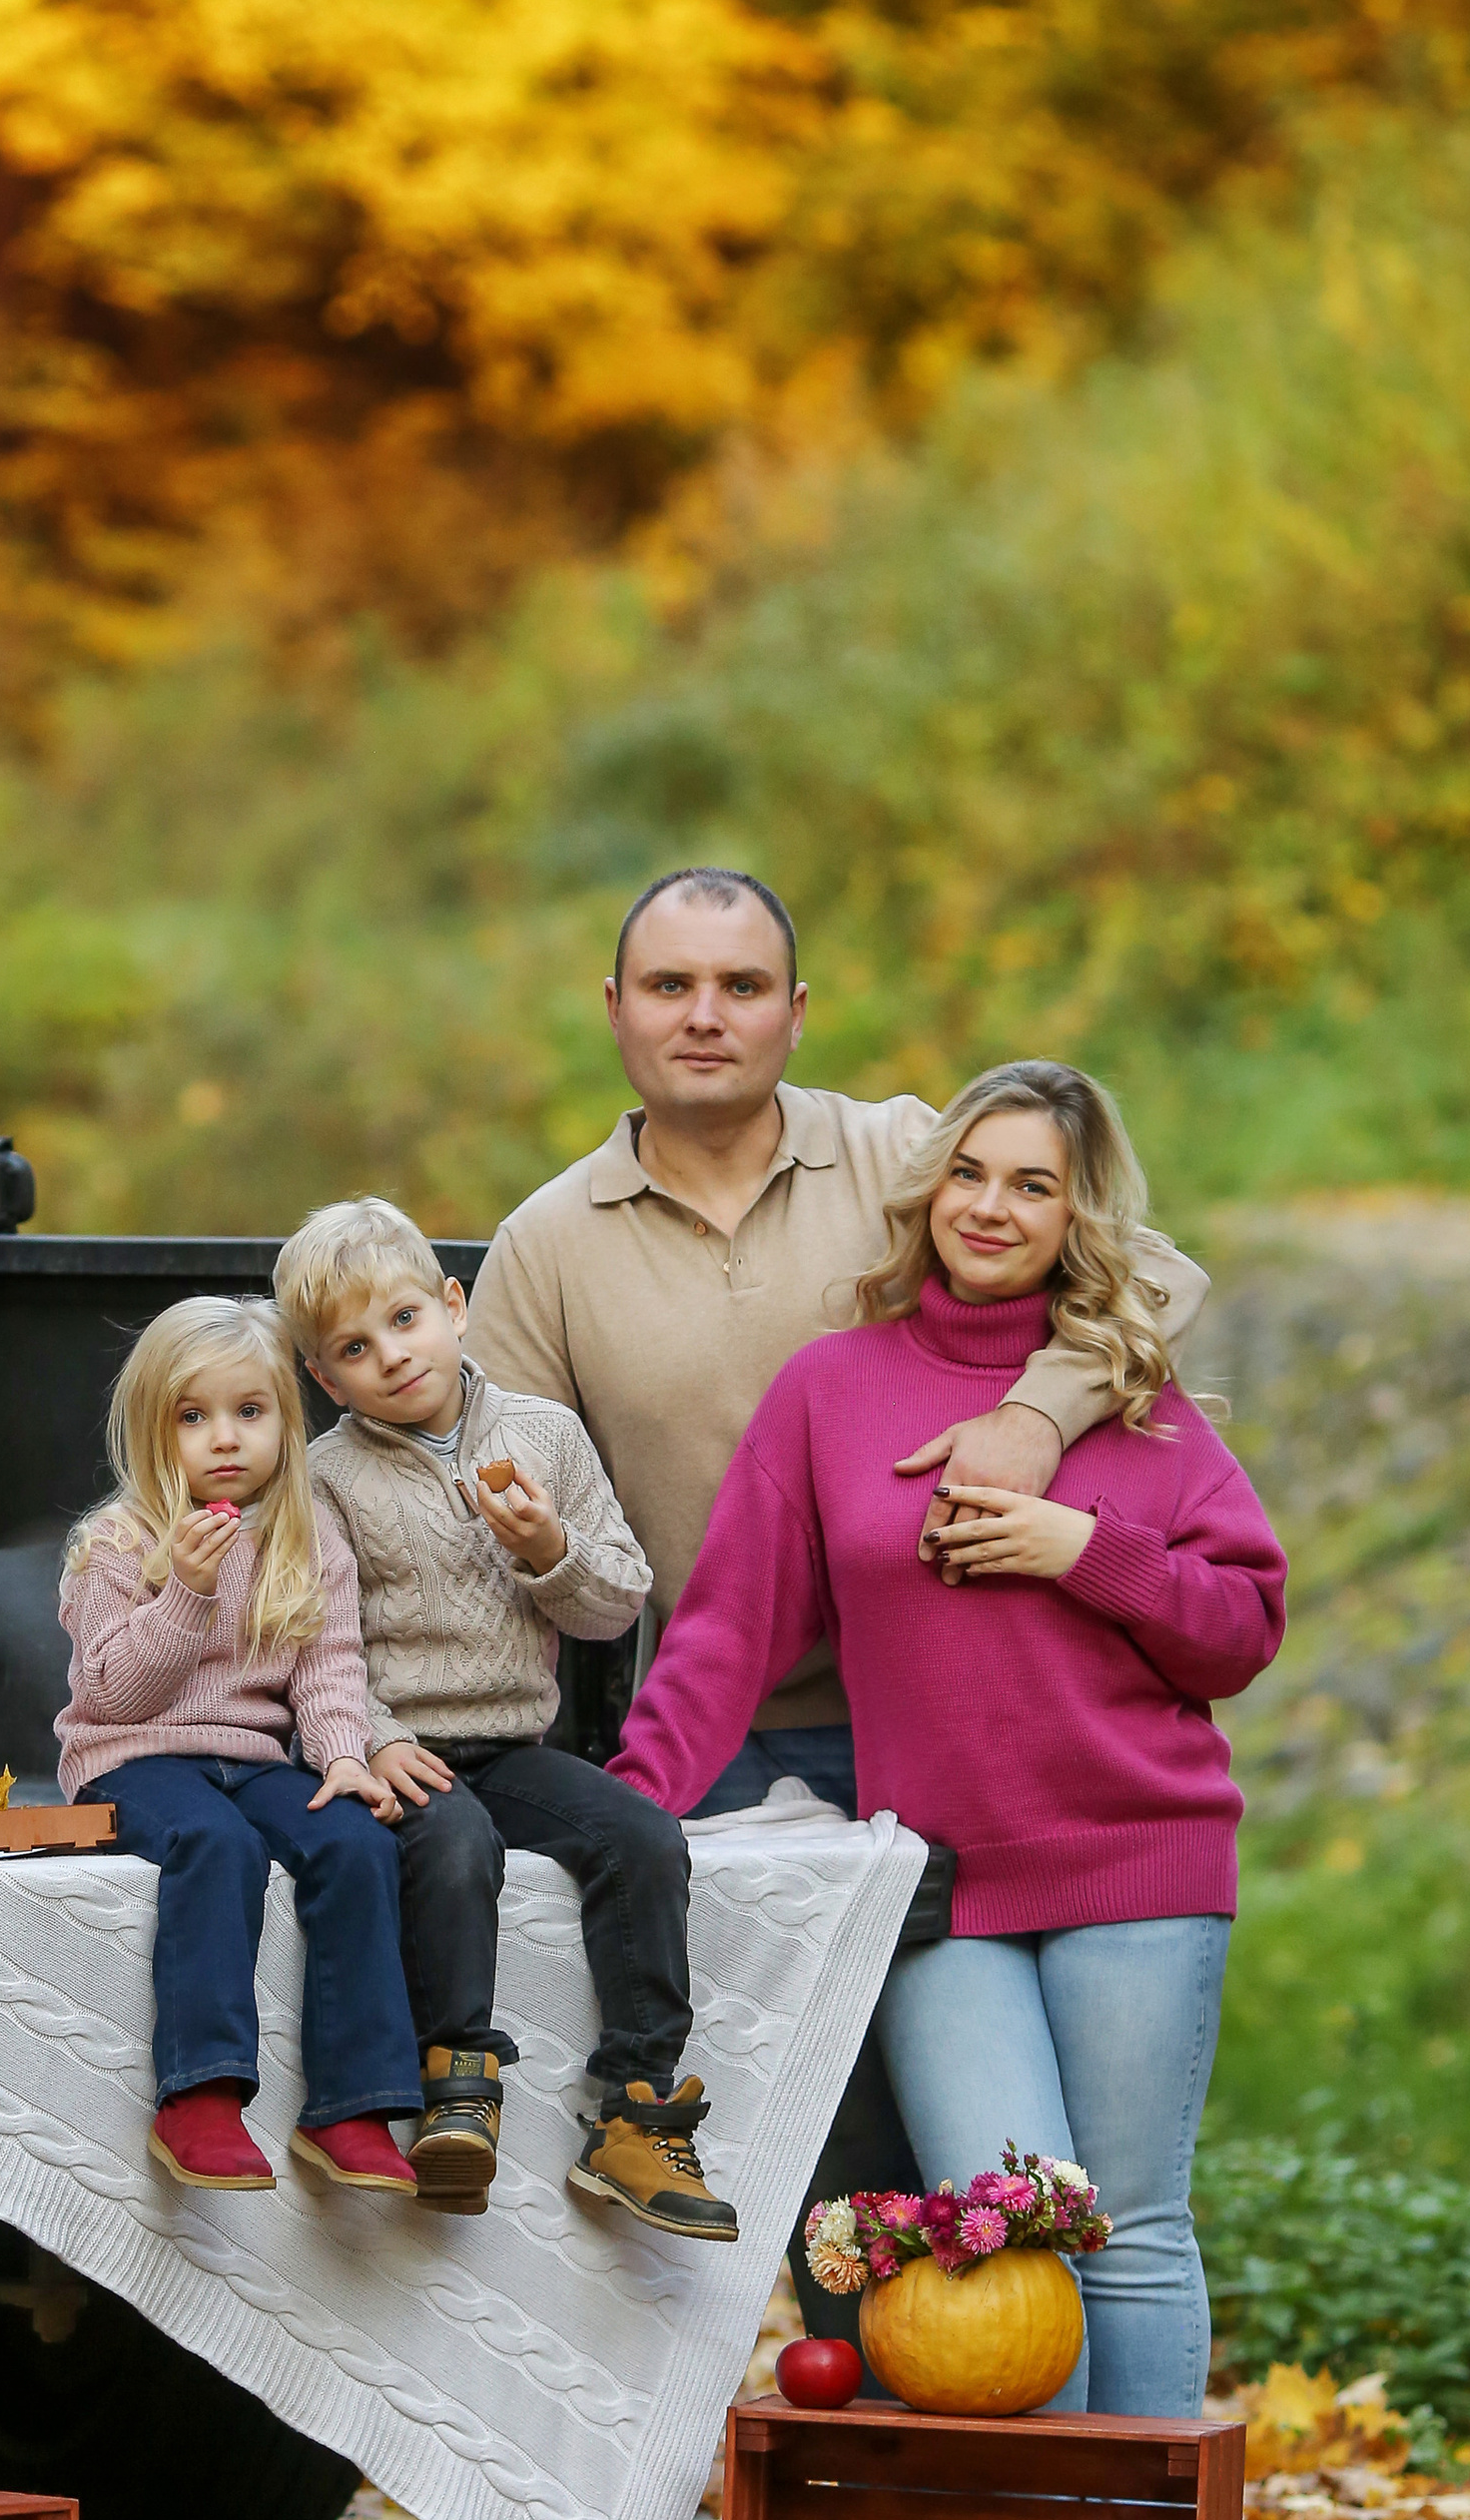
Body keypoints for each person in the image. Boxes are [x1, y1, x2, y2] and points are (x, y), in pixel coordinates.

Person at [463, 868, 1211, 2337]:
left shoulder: (899, 1154)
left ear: (797, 1014)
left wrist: (1040, 1420)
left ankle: (994, 2450)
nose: (706, 1016)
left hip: (947, 1728)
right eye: (671, 985)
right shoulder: (548, 1244)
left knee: (985, 2159)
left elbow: (1155, 1277)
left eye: (742, 987)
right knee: (805, 2149)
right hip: (728, 1742)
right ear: (613, 1010)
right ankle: (854, 2459)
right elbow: (489, 1515)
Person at [609, 1061, 1285, 2413]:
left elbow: (1242, 1628)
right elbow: (727, 1634)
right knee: (1004, 2235)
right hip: (936, 1888)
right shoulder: (830, 1392)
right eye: (969, 1173)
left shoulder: (1144, 1408)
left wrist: (1086, 1550)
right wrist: (627, 1813)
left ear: (1076, 1216)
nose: (991, 1206)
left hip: (1137, 1859)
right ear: (926, 1195)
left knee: (1132, 2230)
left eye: (1032, 1184)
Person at [276, 1197, 732, 2239]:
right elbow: (313, 1642)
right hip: (404, 1745)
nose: (390, 1357)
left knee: (640, 1838)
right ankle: (457, 2085)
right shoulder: (325, 1479)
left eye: (403, 1320)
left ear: (453, 1306)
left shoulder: (543, 1435)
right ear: (321, 1376)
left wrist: (544, 1550)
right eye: (352, 1346)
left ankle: (634, 2108)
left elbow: (617, 1601)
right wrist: (373, 1738)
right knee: (452, 1843)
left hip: (514, 1741)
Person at [56, 1296, 423, 2196]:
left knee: (356, 1843)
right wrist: (184, 1590)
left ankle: (353, 2104)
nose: (225, 1438)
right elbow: (112, 1691)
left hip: (254, 1756)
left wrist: (342, 1754)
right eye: (194, 1416)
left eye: (249, 1413)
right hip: (130, 1757)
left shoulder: (307, 1536)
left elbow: (329, 1667)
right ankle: (202, 2096)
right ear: (153, 1429)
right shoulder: (114, 1543)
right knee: (216, 1844)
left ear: (286, 1423)